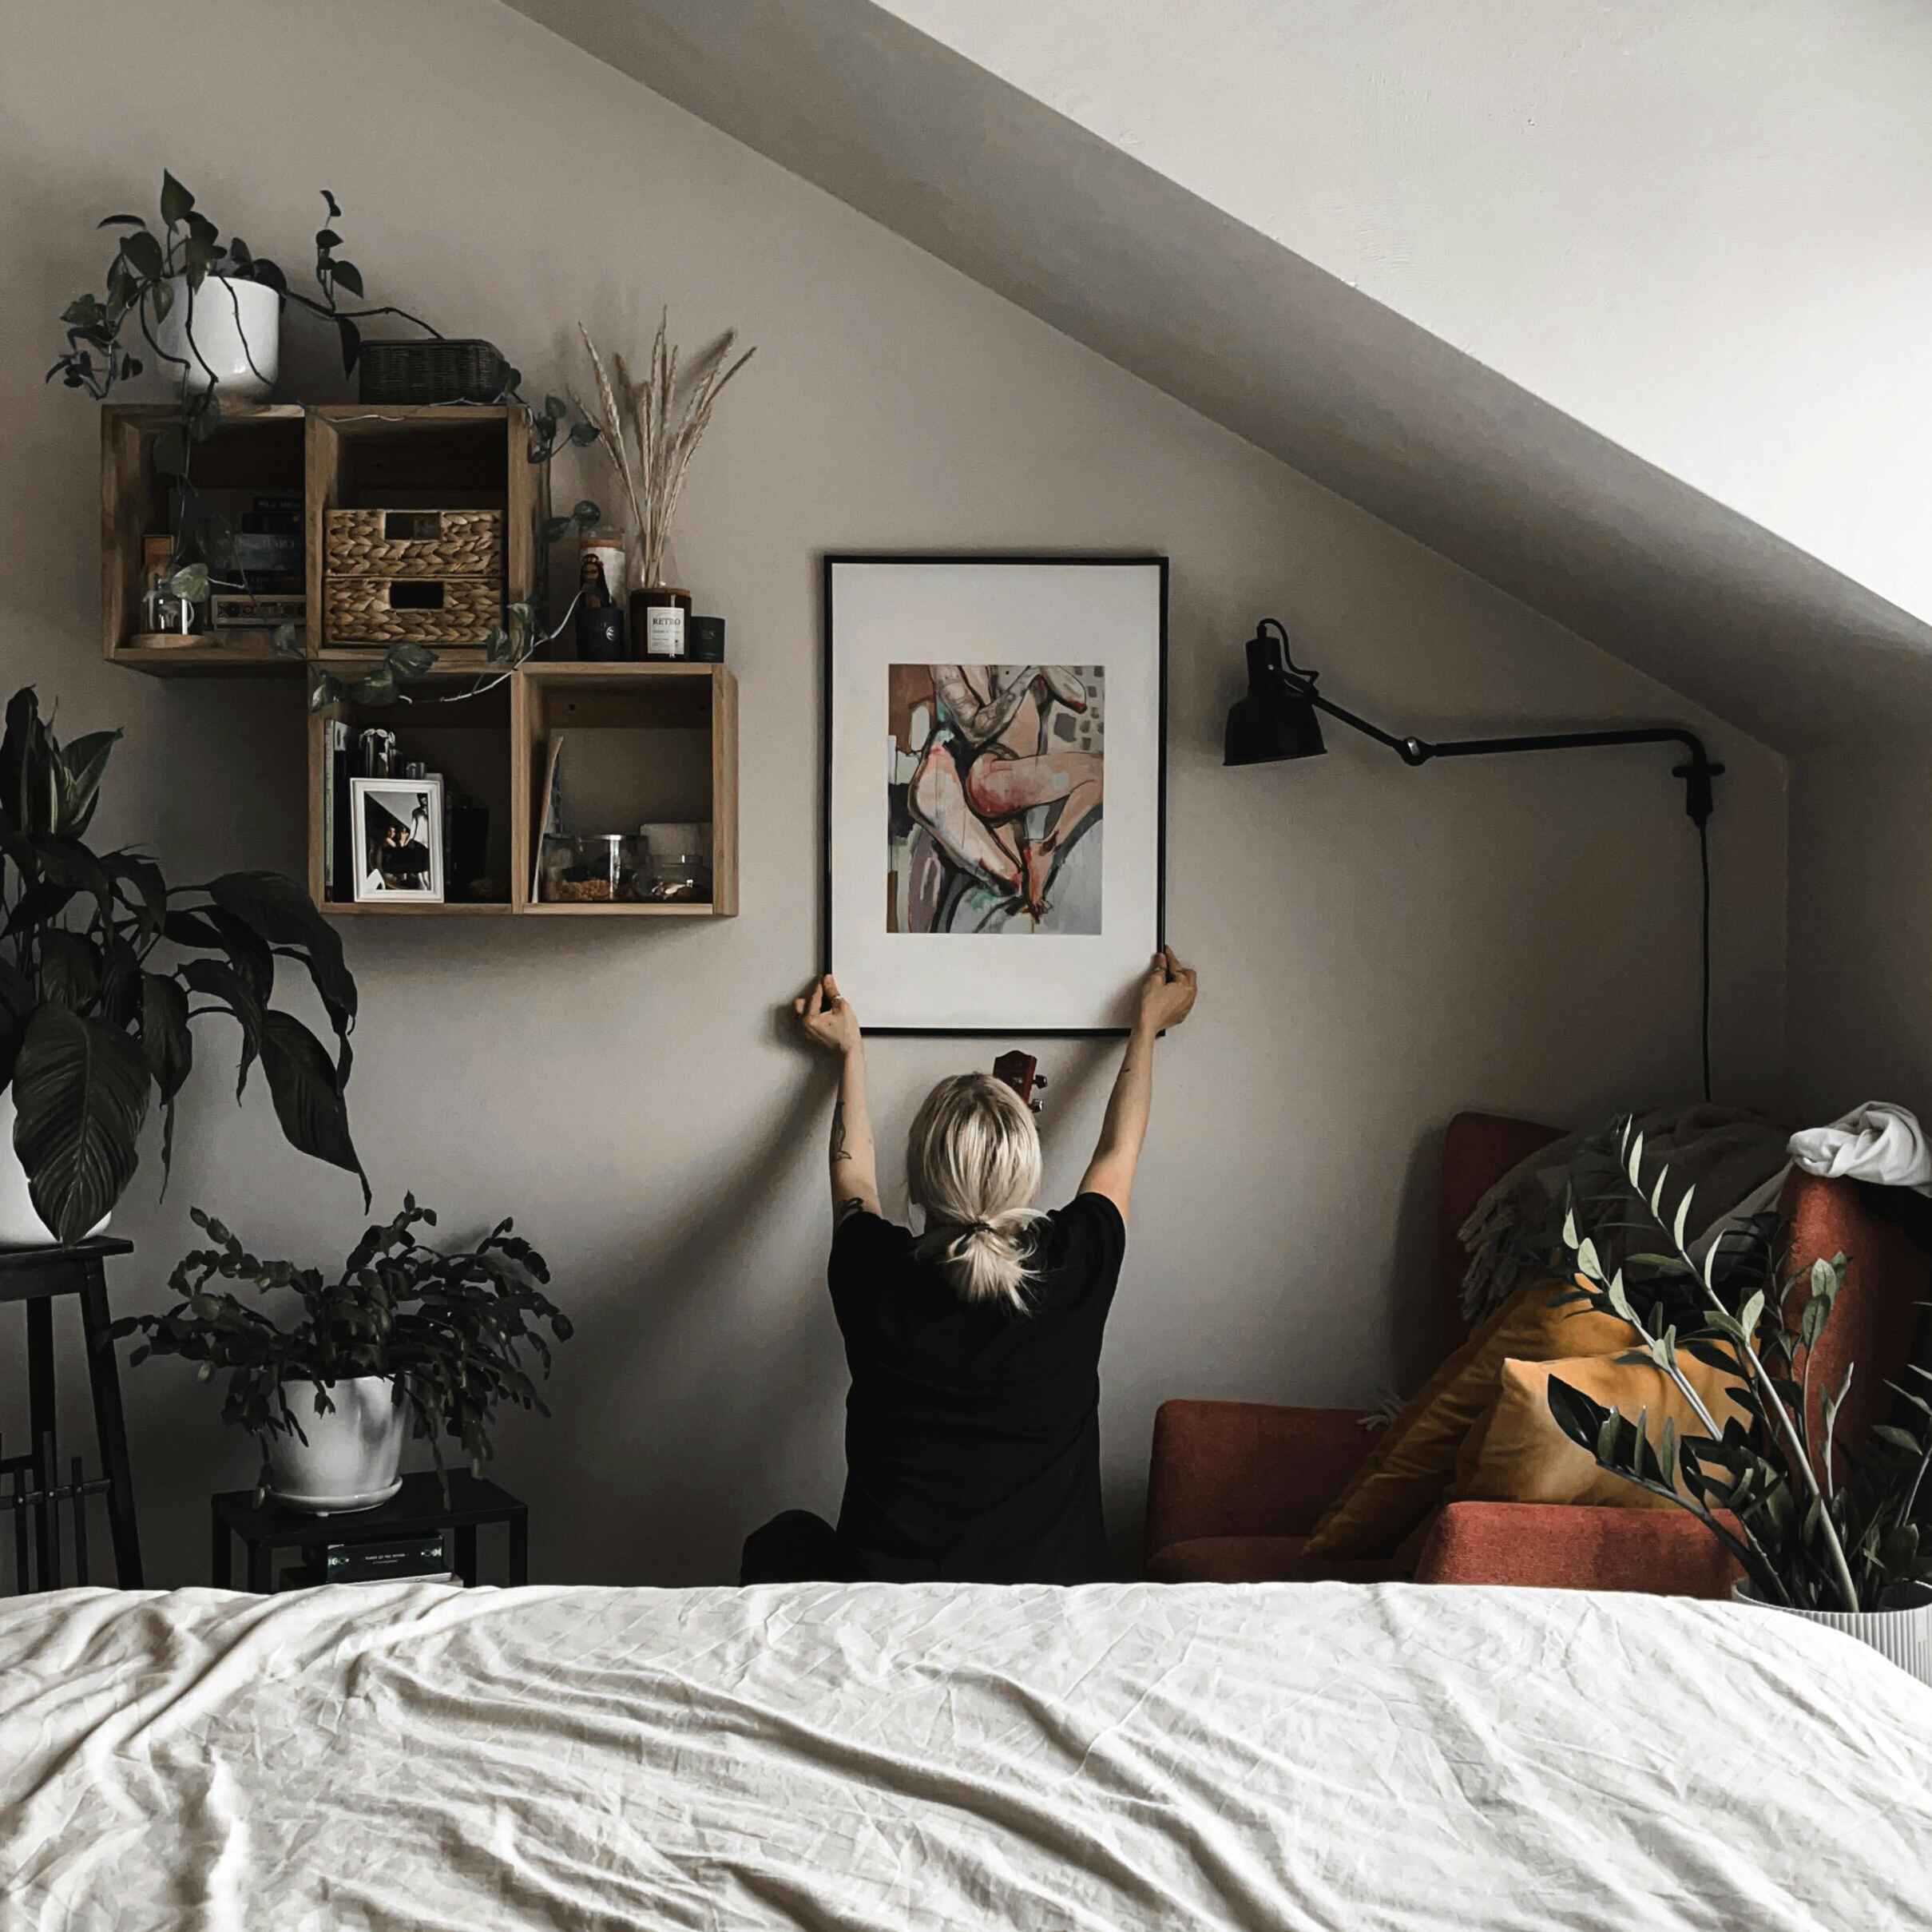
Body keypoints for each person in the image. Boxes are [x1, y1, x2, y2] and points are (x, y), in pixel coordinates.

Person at [740, 946, 1200, 1586]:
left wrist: (849, 1052)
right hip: (1047, 1603)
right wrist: (1145, 1027)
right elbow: (1118, 1149)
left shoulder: (871, 1267)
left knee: (784, 1539)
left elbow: (852, 1172)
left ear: (918, 1180)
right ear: (1026, 1172)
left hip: (890, 1606)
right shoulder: (1074, 1263)